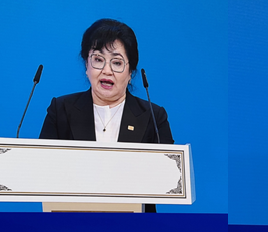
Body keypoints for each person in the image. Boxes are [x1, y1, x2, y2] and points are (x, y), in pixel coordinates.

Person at [38, 18, 173, 212]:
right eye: (98, 60)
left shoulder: (153, 116)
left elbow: (168, 177)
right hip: (69, 221)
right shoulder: (61, 110)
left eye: (117, 63)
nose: (107, 71)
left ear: (130, 72)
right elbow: (41, 170)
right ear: (87, 65)